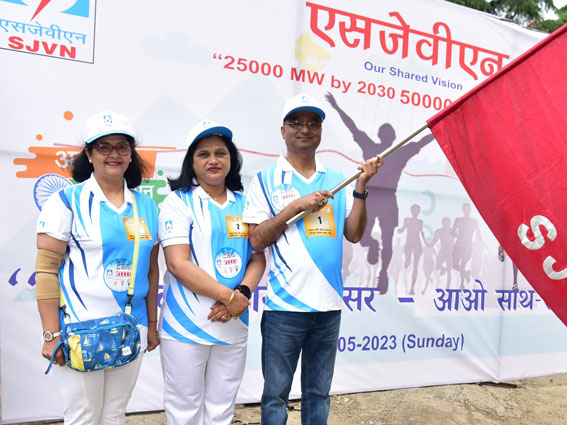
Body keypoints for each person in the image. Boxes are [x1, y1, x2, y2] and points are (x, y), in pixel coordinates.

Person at [243, 93, 382, 425]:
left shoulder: (338, 179)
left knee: (318, 395)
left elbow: (354, 233)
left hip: (328, 308)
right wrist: (295, 207)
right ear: (283, 131)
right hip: (284, 310)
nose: (304, 129)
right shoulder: (265, 180)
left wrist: (361, 187)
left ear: (320, 130)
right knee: (275, 396)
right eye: (296, 122)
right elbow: (256, 239)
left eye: (312, 123)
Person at [34, 111, 160, 424]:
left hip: (133, 325)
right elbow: (46, 271)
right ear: (89, 154)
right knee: (83, 415)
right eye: (103, 147)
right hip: (79, 328)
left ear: (131, 154)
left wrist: (153, 324)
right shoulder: (65, 201)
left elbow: (151, 268)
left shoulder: (146, 206)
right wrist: (51, 334)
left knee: (115, 413)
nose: (113, 154)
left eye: (122, 147)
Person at [157, 120, 266, 425]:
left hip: (233, 321)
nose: (214, 160)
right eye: (203, 154)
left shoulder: (246, 205)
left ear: (232, 159)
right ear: (191, 162)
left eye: (221, 153)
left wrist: (241, 295)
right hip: (186, 326)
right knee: (184, 408)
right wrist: (228, 296)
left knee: (221, 409)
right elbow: (178, 264)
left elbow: (257, 259)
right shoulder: (177, 203)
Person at [326, 92, 434, 294]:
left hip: (385, 199)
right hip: (372, 197)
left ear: (390, 137)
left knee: (388, 238)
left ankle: (383, 272)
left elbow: (423, 141)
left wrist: (441, 126)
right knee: (367, 237)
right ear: (387, 137)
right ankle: (374, 248)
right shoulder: (375, 150)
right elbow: (352, 127)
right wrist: (336, 108)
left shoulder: (397, 151)